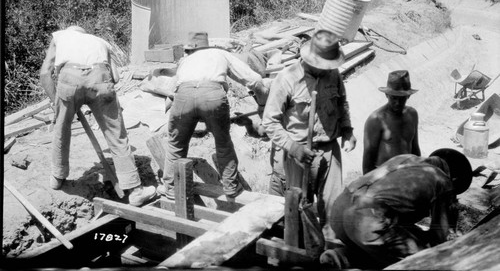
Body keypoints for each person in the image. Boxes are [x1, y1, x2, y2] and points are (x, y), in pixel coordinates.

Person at [39, 25, 156, 206]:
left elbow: (45, 73)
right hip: (100, 79)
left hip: (70, 80)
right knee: (116, 135)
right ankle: (135, 190)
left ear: (70, 32)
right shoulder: (100, 42)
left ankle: (57, 176)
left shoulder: (60, 37)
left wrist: (58, 104)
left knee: (61, 130)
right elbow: (116, 78)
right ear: (85, 34)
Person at [262, 29, 357, 227]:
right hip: (297, 153)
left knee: (334, 211)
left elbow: (342, 104)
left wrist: (347, 130)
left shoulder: (333, 75)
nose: (326, 69)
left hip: (329, 151)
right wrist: (293, 147)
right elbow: (270, 122)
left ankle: (329, 252)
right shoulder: (287, 78)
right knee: (297, 213)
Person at [158, 32, 266, 200]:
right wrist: (262, 104)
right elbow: (254, 79)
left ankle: (171, 188)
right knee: (222, 142)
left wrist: (182, 114)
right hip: (213, 96)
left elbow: (172, 93)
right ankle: (230, 186)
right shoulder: (220, 54)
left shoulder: (185, 61)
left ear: (189, 50)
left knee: (175, 144)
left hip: (183, 96)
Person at [322, 148, 472, 269]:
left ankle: (340, 257)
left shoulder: (406, 158)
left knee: (382, 248)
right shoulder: (443, 180)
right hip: (366, 220)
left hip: (340, 211)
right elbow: (440, 237)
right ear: (454, 179)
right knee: (427, 258)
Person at [362, 70, 421, 174]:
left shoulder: (412, 114)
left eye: (401, 98)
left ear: (408, 96)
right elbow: (368, 158)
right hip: (385, 176)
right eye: (394, 98)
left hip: (408, 173)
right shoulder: (377, 119)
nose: (397, 103)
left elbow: (415, 148)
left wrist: (419, 170)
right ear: (386, 95)